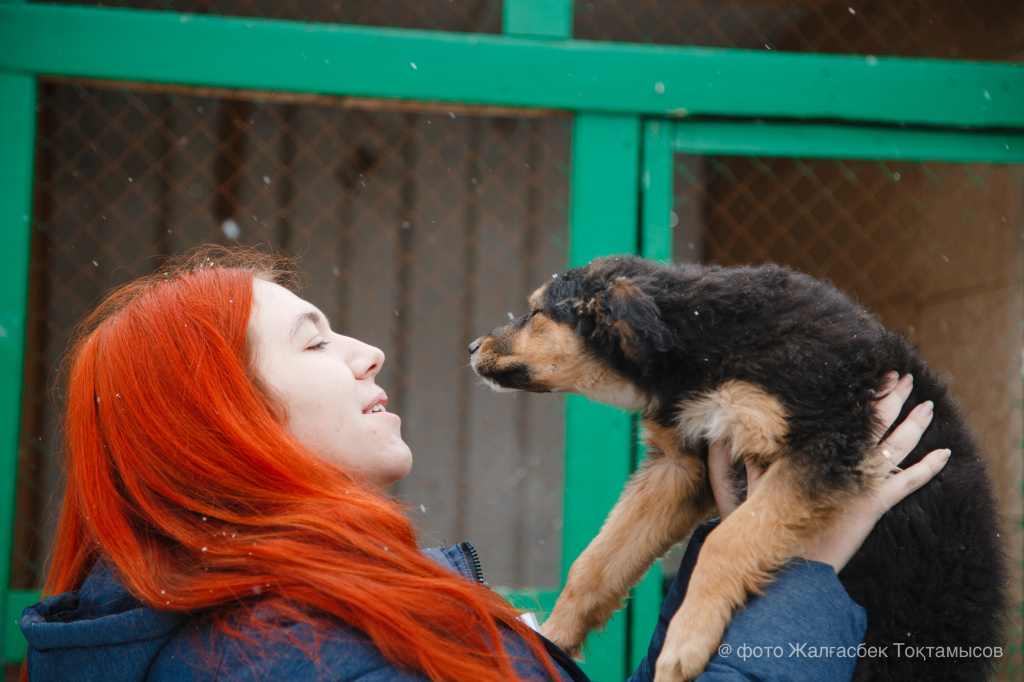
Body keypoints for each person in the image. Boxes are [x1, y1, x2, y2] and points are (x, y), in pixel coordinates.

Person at [19, 248, 948, 682]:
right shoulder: (305, 660)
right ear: (222, 423)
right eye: (313, 344)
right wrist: (808, 571)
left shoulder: (302, 618)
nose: (367, 351)